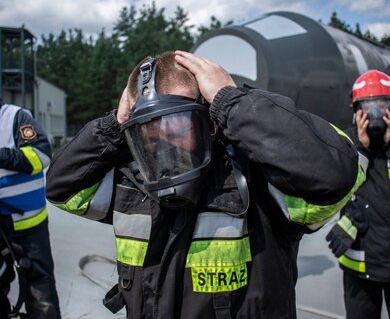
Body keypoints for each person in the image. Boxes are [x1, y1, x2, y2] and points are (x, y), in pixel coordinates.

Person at [46, 51, 366, 319]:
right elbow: (62, 188)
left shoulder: (258, 181)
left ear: (208, 120)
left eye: (175, 126)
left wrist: (232, 102)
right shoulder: (132, 183)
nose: (163, 146)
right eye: (147, 132)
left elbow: (335, 175)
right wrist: (113, 126)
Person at [326, 69, 390, 319]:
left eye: (381, 106)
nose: (374, 115)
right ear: (355, 110)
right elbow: (330, 186)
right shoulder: (345, 144)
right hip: (359, 266)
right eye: (367, 107)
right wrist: (360, 150)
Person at [0, 99, 61, 318]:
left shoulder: (15, 117)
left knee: (40, 292)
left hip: (28, 224)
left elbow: (42, 155)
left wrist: (2, 155)